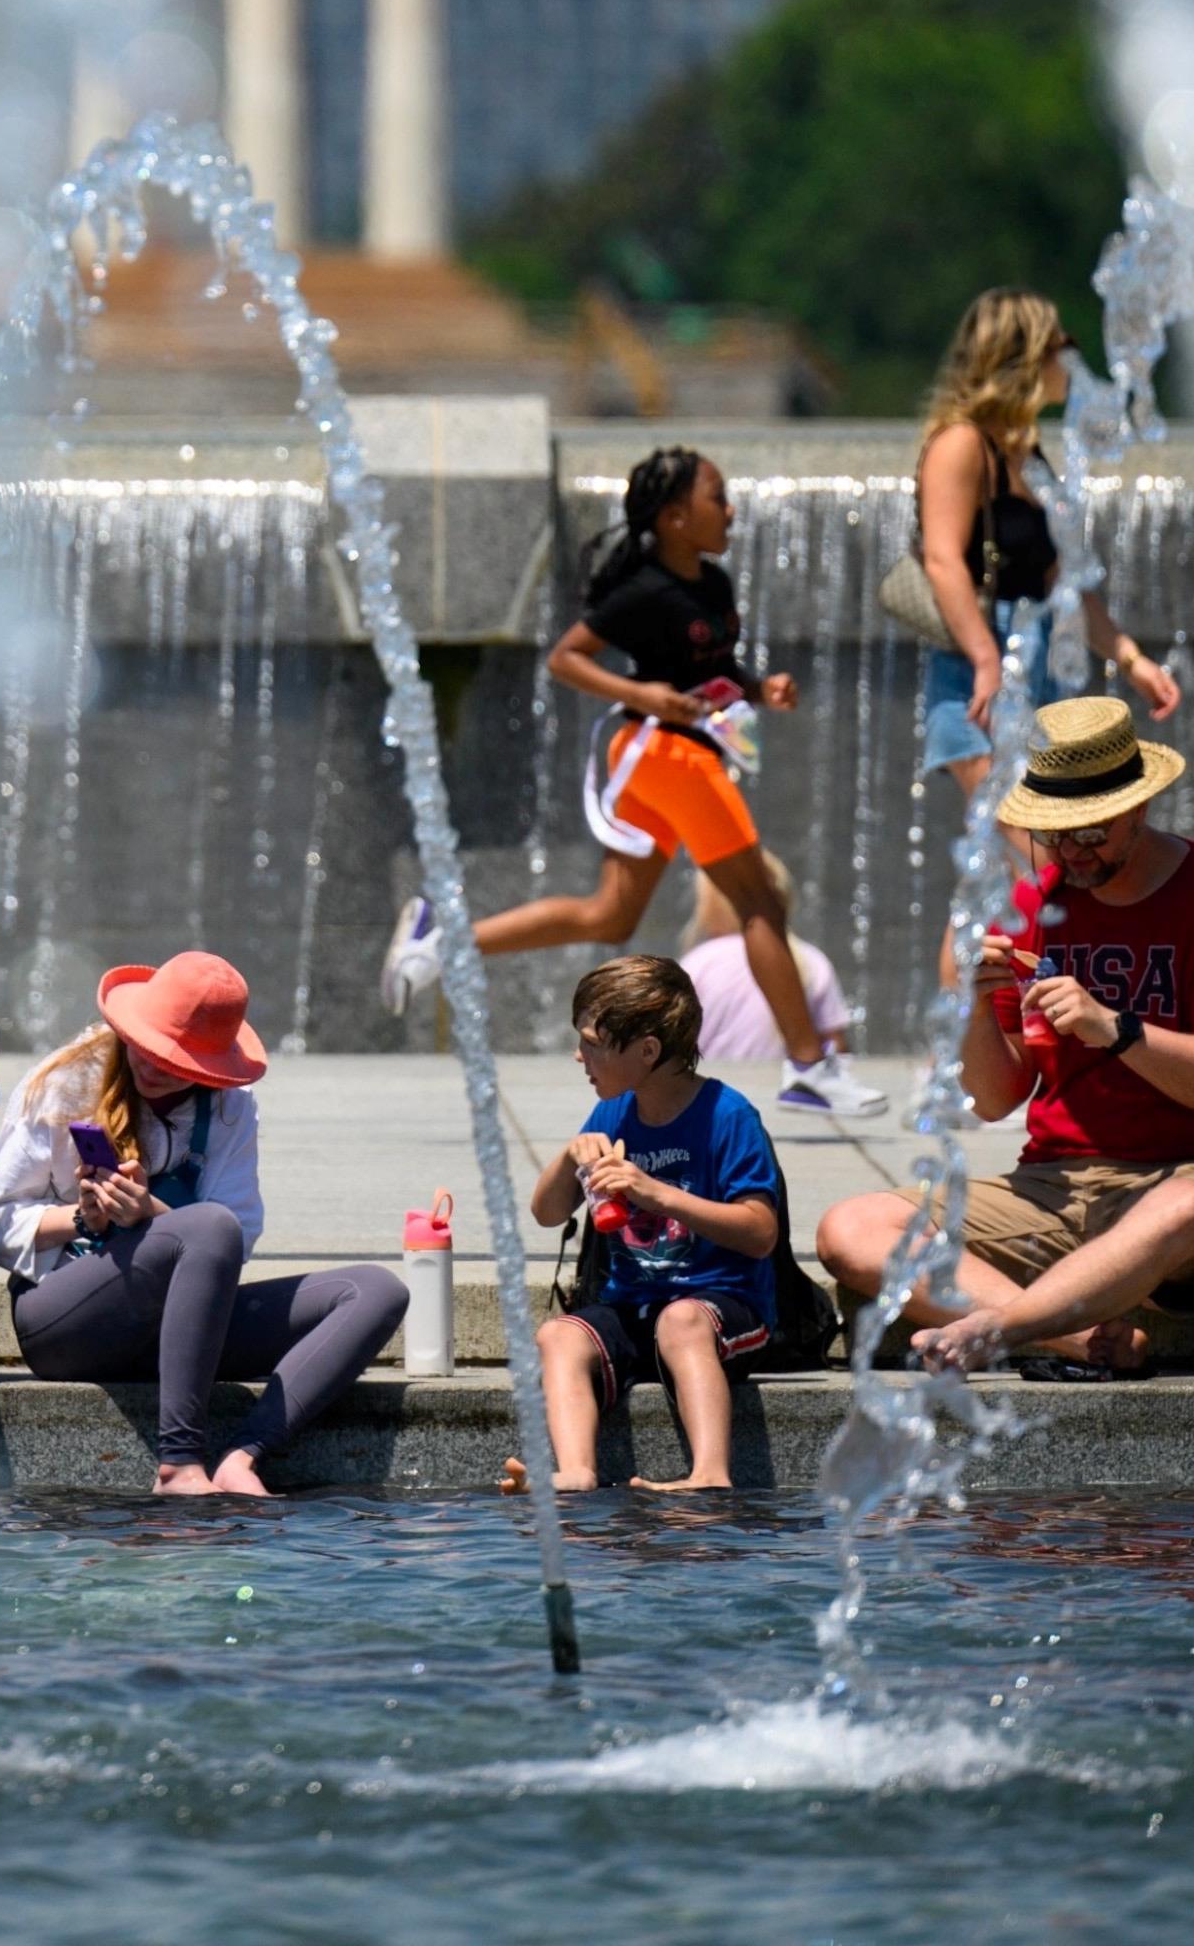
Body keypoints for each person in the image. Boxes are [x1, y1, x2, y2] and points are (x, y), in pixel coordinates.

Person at [380, 445, 887, 1119]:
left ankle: (445, 934)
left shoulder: (713, 583)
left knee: (611, 914)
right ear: (676, 516)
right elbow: (568, 659)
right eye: (717, 497)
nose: (730, 509)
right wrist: (644, 694)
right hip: (664, 754)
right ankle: (808, 1065)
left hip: (663, 756)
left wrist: (761, 689)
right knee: (760, 901)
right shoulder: (643, 589)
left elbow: (713, 669)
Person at [815, 698, 1194, 1376]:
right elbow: (992, 1100)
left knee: (1179, 1209)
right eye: (1054, 834)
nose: (1069, 852)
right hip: (1058, 1184)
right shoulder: (1035, 907)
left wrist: (1116, 1029)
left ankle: (999, 1327)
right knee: (851, 1229)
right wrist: (977, 1009)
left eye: (1089, 834)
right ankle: (1076, 1338)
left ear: (1138, 807)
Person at [0, 953, 405, 1497]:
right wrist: (84, 1217)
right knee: (208, 1226)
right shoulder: (64, 1084)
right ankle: (179, 1464)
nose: (154, 1065)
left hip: (181, 1334)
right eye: (147, 1046)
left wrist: (149, 1215)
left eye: (176, 1059)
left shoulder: (231, 1107)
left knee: (374, 1290)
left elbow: (238, 1237)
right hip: (67, 1323)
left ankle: (244, 1457)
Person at [913, 289, 1181, 983]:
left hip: (1029, 678)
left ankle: (959, 1048)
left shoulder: (1029, 457)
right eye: (1063, 343)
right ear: (1027, 353)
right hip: (975, 685)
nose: (1074, 359)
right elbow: (943, 558)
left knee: (997, 872)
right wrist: (982, 660)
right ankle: (971, 1043)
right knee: (1032, 850)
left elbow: (1071, 583)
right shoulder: (961, 443)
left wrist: (1130, 658)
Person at [521, 956, 784, 1494]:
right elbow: (547, 1213)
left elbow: (761, 1232)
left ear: (646, 1050)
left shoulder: (727, 1115)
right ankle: (576, 1471)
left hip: (721, 1309)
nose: (579, 1055)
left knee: (681, 1322)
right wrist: (571, 1156)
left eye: (593, 1042)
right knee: (558, 1335)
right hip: (633, 1306)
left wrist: (655, 1193)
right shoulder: (613, 1114)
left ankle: (710, 1473)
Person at [679, 856, 854, 1065]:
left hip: (712, 1091)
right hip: (787, 1090)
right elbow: (838, 1048)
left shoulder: (697, 964)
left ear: (709, 907)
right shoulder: (811, 962)